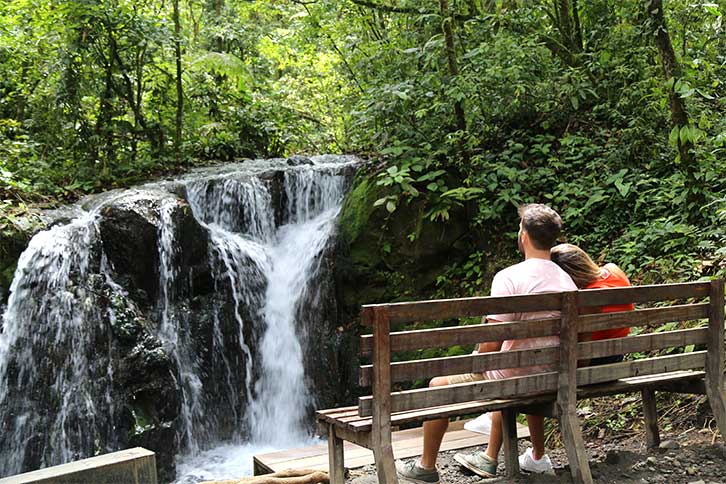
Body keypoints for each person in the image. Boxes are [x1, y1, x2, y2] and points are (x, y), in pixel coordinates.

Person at [395, 204, 577, 483]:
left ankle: (426, 467)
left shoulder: (509, 278)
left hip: (513, 378)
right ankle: (505, 458)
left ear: (523, 236)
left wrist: (474, 357)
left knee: (437, 385)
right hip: (552, 377)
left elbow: (490, 347)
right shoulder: (567, 281)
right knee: (523, 368)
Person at [550, 243, 634, 365]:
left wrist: (579, 378)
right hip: (616, 356)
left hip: (598, 363)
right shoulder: (613, 269)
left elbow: (584, 348)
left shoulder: (589, 298)